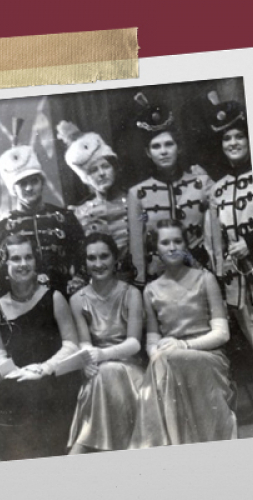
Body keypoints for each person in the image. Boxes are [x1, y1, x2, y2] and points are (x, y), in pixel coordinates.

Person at [129, 219, 236, 447]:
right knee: (162, 361)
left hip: (208, 355)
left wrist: (184, 346)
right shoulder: (150, 290)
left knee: (168, 360)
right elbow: (153, 339)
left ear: (186, 245)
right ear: (155, 249)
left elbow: (222, 334)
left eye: (177, 241)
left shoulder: (205, 279)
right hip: (170, 358)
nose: (172, 247)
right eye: (165, 242)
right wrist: (156, 353)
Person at [204, 95, 253, 376]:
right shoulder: (217, 190)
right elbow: (213, 241)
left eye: (238, 136)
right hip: (238, 287)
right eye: (226, 138)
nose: (232, 143)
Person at [0, 234, 82, 460]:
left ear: (36, 262)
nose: (23, 264)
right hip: (14, 384)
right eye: (16, 259)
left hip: (52, 384)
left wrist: (43, 368)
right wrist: (15, 372)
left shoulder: (54, 298)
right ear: (5, 263)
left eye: (29, 257)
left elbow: (71, 345)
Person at [68, 233, 144, 454]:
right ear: (85, 263)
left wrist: (101, 356)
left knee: (106, 372)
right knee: (101, 375)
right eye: (92, 258)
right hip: (98, 371)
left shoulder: (131, 293)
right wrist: (86, 360)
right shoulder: (77, 300)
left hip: (130, 370)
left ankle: (81, 447)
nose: (98, 264)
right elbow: (85, 343)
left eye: (104, 256)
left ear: (115, 259)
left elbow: (133, 344)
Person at [127, 93, 213, 287]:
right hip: (160, 277)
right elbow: (136, 245)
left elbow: (216, 230)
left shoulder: (201, 183)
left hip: (199, 272)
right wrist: (141, 280)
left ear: (178, 148)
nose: (163, 151)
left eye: (169, 144)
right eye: (156, 147)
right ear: (148, 153)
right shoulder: (137, 193)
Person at [0, 121, 85, 295]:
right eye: (22, 184)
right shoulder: (3, 227)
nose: (29, 188)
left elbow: (82, 256)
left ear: (42, 182)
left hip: (64, 297)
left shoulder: (65, 217)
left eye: (34, 181)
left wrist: (78, 279)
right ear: (13, 189)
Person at [57, 121, 133, 277]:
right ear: (85, 178)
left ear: (115, 167)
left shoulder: (136, 201)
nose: (101, 174)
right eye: (93, 170)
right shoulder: (79, 213)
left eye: (105, 166)